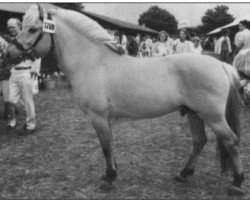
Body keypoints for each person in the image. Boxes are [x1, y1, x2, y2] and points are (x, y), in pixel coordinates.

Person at [7, 18, 39, 135]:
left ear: (19, 26)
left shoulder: (26, 38)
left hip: (25, 72)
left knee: (27, 100)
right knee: (11, 100)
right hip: (14, 72)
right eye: (9, 27)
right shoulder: (11, 40)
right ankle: (31, 115)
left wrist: (35, 69)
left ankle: (31, 125)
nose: (11, 29)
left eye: (13, 27)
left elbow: (37, 53)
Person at [0, 36, 12, 120]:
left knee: (6, 93)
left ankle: (8, 112)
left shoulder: (5, 52)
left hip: (5, 75)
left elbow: (8, 65)